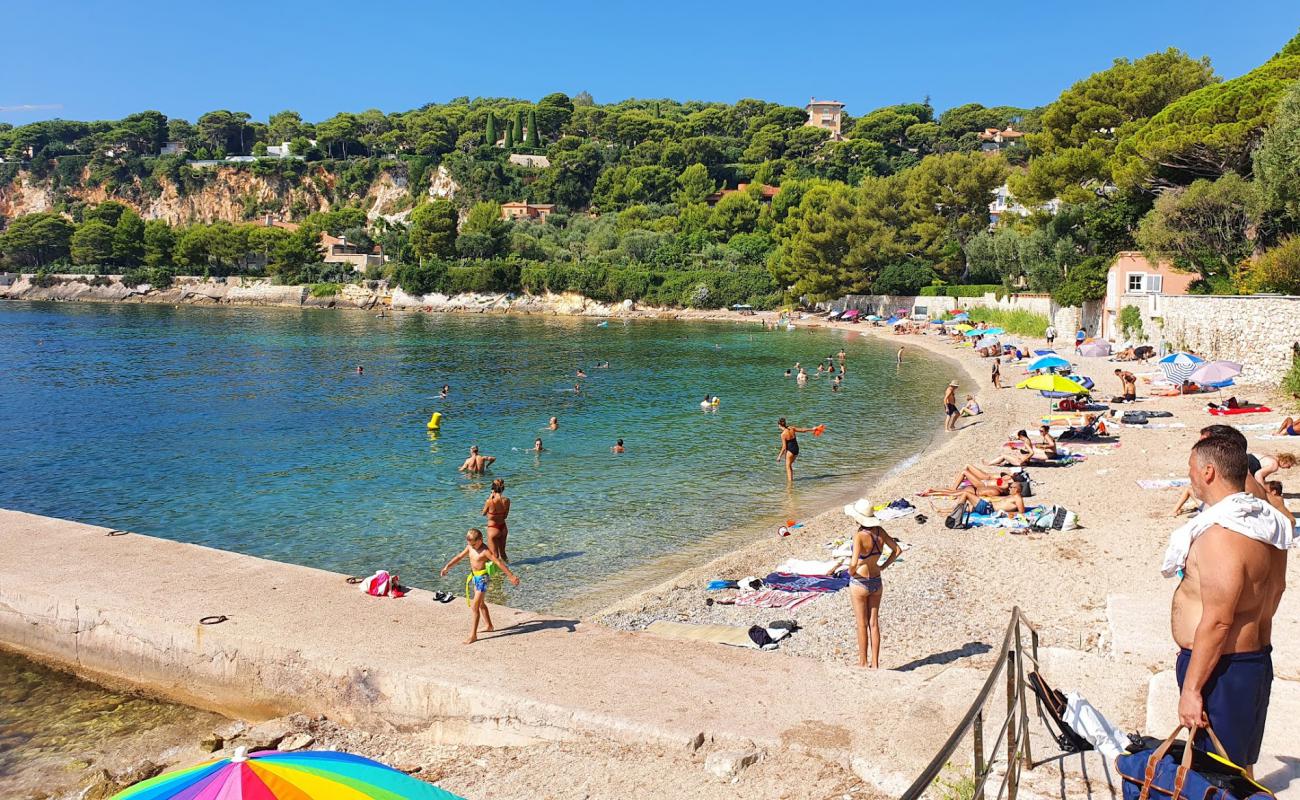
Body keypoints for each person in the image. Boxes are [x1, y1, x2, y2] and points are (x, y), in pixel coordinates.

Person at [1167, 437, 1292, 772]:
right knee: (1237, 772)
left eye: (1191, 468)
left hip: (1220, 668)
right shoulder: (1271, 525)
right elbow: (1277, 589)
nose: (1189, 476)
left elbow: (1219, 621)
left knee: (1216, 774)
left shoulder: (1221, 536)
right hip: (1248, 662)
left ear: (1208, 472)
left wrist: (1192, 689)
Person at [843, 499, 901, 668]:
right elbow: (897, 550)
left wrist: (851, 572)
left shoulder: (859, 536)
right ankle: (875, 664)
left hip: (860, 582)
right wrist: (883, 566)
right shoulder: (880, 532)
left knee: (862, 624)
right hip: (876, 580)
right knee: (874, 623)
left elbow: (853, 563)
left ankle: (863, 662)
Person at [439, 528, 520, 644]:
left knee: (475, 606)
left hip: (483, 579)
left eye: (474, 544)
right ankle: (489, 626)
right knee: (481, 604)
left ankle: (473, 635)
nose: (472, 546)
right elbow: (459, 557)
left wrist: (511, 576)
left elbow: (498, 562)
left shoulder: (485, 551)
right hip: (474, 577)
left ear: (481, 540)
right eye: (470, 544)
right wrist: (447, 567)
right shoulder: (470, 547)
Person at [947, 482, 1027, 515]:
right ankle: (942, 511)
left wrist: (1006, 513)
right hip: (987, 506)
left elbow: (1022, 512)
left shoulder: (1018, 498)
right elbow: (998, 500)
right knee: (967, 508)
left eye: (1011, 487)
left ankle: (955, 516)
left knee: (966, 494)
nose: (1009, 488)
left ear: (1016, 489)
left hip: (988, 509)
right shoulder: (1012, 496)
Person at [481, 479, 511, 562]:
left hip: (493, 528)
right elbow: (505, 516)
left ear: (493, 489)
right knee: (503, 553)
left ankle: (498, 574)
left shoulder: (489, 501)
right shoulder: (507, 500)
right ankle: (510, 567)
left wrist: (490, 497)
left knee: (494, 555)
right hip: (503, 528)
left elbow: (483, 513)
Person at [777, 418, 814, 483]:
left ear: (779, 425)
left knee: (788, 466)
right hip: (796, 449)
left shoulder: (783, 434)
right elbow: (803, 430)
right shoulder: (791, 428)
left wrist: (779, 456)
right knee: (789, 465)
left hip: (790, 450)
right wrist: (812, 429)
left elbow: (784, 447)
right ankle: (791, 480)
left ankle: (790, 483)